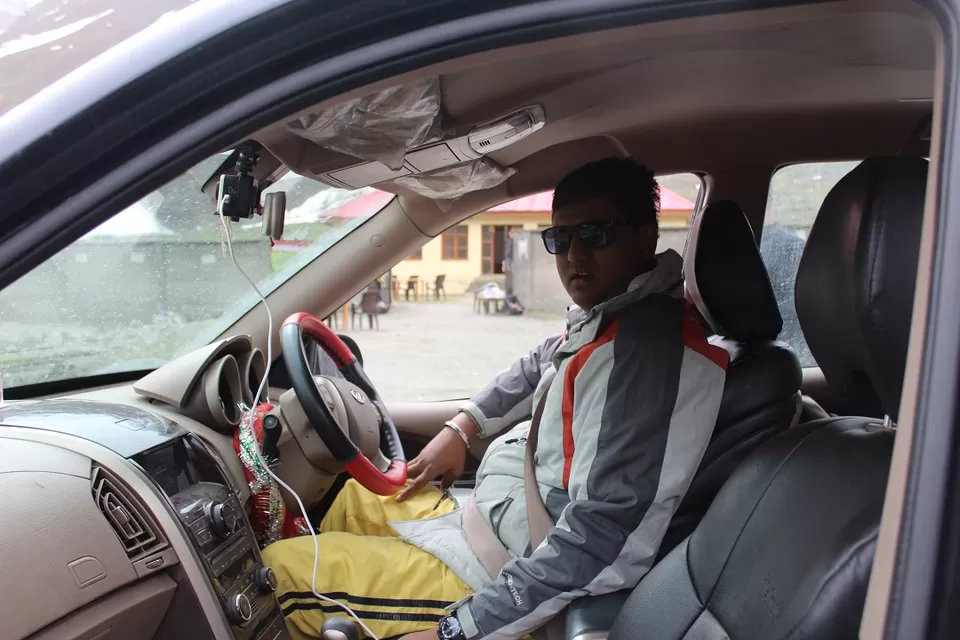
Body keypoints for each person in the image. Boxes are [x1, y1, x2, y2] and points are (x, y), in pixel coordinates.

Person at [262, 157, 729, 640]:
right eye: (561, 238)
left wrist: (454, 631)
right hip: (485, 521)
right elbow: (536, 365)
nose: (574, 255)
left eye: (596, 234)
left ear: (644, 237)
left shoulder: (647, 358)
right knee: (353, 497)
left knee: (279, 574)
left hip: (502, 577)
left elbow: (600, 541)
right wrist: (460, 428)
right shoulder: (616, 316)